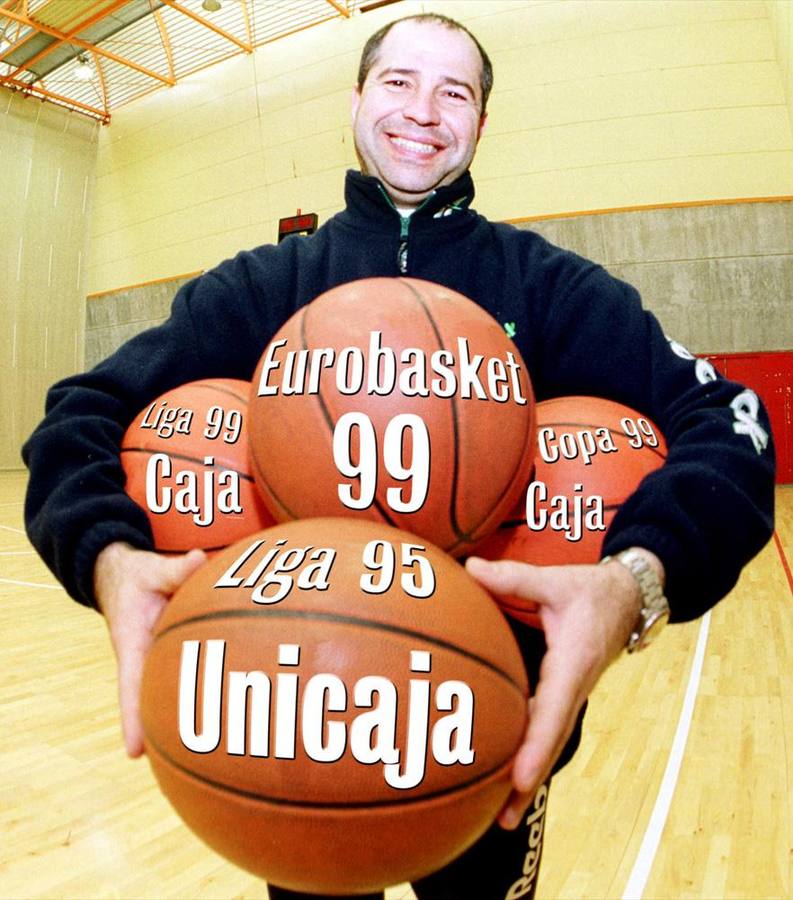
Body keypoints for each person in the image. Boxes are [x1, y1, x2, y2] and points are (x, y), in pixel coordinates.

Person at [23, 13, 775, 900]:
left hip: (491, 737)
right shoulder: (270, 285)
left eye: (454, 92)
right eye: (397, 82)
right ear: (354, 101)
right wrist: (107, 555)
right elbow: (78, 413)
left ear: (482, 123)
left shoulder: (545, 286)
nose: (423, 110)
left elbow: (732, 419)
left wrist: (634, 581)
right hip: (294, 734)